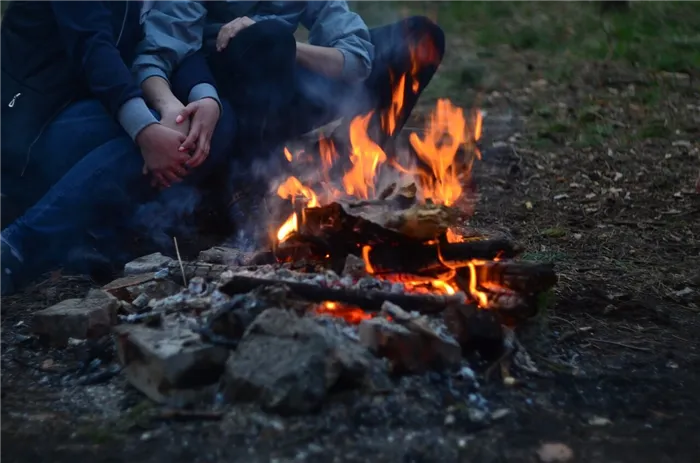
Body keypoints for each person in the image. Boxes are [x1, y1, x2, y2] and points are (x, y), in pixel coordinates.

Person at [136, 0, 445, 246]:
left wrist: (293, 49)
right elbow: (156, 55)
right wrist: (168, 107)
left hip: (282, 85)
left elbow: (358, 59)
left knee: (420, 38)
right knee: (266, 38)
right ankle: (243, 193)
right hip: (222, 106)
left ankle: (339, 171)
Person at [0, 0, 236, 296]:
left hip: (94, 108)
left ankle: (103, 233)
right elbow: (92, 45)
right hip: (31, 123)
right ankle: (17, 246)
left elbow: (170, 41)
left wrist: (204, 97)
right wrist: (146, 130)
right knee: (151, 133)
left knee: (211, 125)